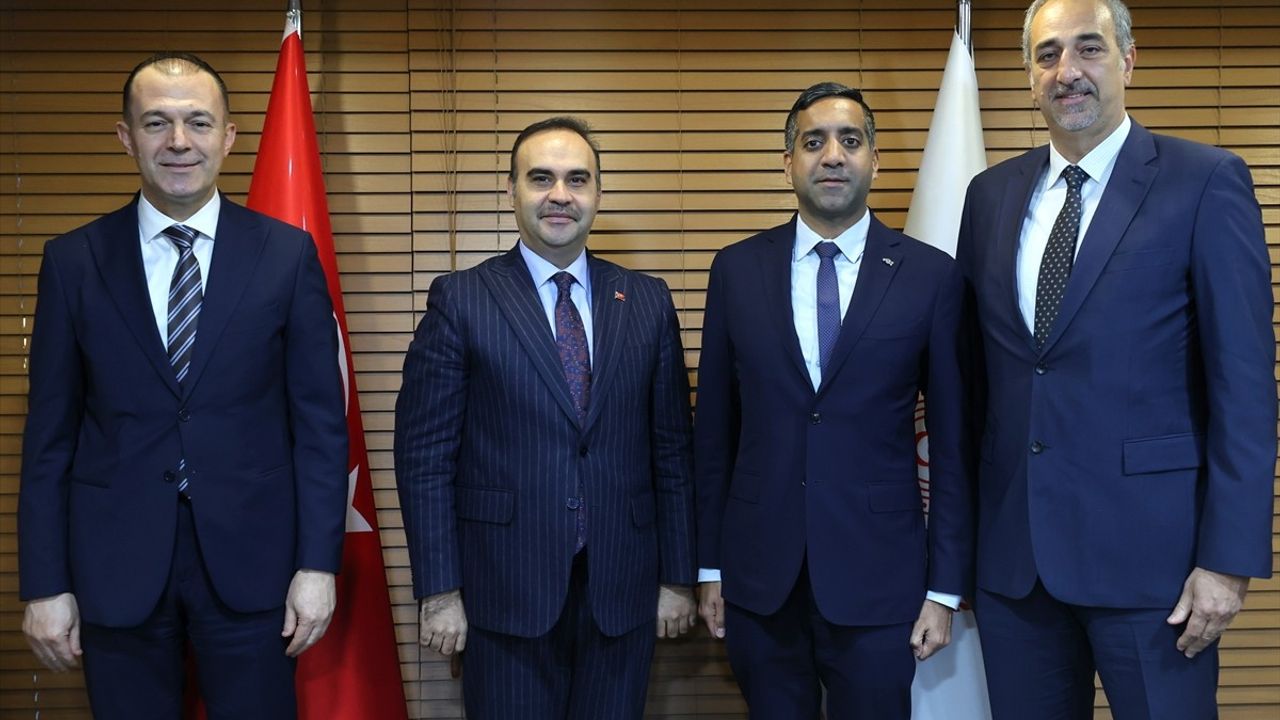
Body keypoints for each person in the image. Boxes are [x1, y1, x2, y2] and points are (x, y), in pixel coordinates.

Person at [957, 1, 1276, 717]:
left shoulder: (1205, 181)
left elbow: (1245, 387)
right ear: (1029, 74)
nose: (1067, 71)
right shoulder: (989, 197)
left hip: (1157, 569)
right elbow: (977, 385)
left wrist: (1227, 560)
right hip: (1015, 568)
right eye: (1047, 55)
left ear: (1128, 61)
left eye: (1089, 48)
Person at [18, 52, 348, 718]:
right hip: (114, 566)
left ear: (228, 137)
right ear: (126, 136)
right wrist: (44, 585)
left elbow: (319, 427)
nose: (178, 141)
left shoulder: (286, 256)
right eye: (156, 123)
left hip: (256, 565)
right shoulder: (73, 261)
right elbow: (49, 438)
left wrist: (318, 566)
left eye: (198, 122)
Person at [394, 116, 697, 719]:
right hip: (504, 592)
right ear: (512, 190)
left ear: (597, 193)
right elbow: (424, 458)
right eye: (541, 178)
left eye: (577, 179)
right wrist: (440, 591)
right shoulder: (461, 299)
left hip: (623, 591)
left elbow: (672, 450)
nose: (560, 195)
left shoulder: (647, 300)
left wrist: (678, 577)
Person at [694, 82, 973, 719]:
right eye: (813, 141)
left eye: (850, 140)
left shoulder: (930, 276)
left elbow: (953, 446)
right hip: (759, 582)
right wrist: (709, 569)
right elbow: (713, 435)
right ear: (788, 162)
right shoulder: (735, 271)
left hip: (881, 581)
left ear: (875, 160)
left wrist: (944, 588)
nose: (832, 155)